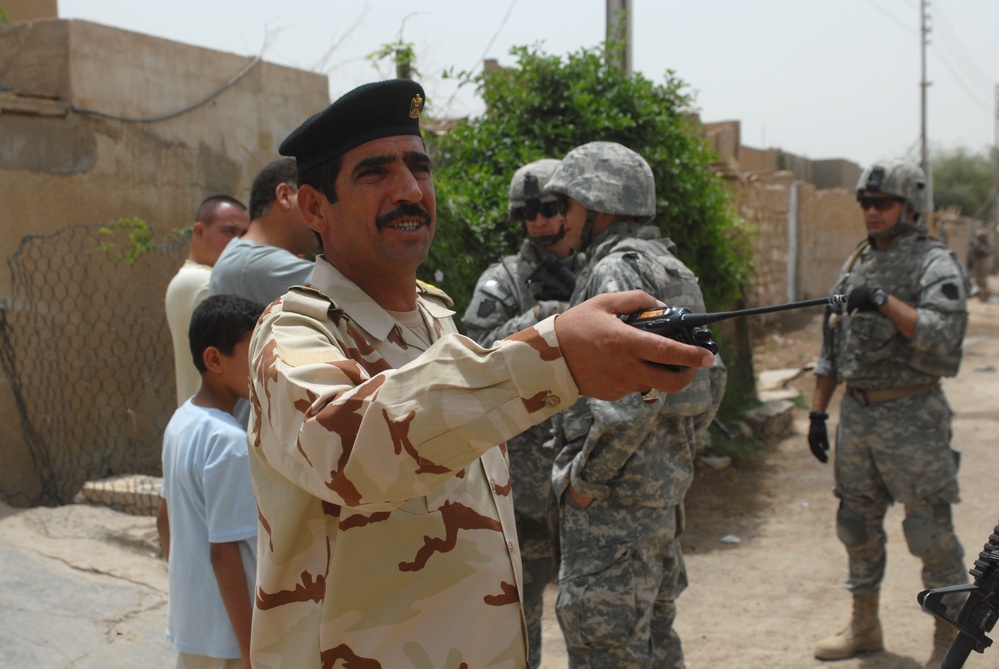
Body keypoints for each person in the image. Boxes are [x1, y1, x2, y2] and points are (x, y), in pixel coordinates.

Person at [246, 79, 715, 669]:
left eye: (419, 166)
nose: (410, 189)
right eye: (374, 173)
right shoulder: (294, 334)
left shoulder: (436, 319)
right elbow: (349, 448)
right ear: (315, 207)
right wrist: (555, 356)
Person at [543, 141, 726, 669]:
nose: (562, 220)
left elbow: (626, 405)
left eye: (568, 206)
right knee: (655, 642)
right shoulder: (674, 269)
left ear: (597, 208)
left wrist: (584, 483)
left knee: (605, 650)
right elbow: (712, 377)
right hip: (661, 497)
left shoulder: (614, 274)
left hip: (612, 507)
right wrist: (675, 455)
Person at [808, 160, 971, 666]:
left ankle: (948, 643)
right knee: (855, 524)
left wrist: (884, 301)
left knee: (930, 535)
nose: (872, 212)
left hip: (913, 417)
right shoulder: (856, 262)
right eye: (866, 202)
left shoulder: (933, 263)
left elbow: (946, 339)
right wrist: (817, 413)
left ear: (911, 206)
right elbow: (832, 344)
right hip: (858, 416)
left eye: (883, 203)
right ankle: (863, 624)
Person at [462, 158, 584, 668]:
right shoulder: (504, 280)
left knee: (595, 617)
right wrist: (538, 316)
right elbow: (471, 357)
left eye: (551, 209)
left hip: (586, 475)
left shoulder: (600, 269)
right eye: (528, 212)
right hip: (527, 485)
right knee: (518, 623)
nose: (539, 222)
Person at [157, 294, 264, 669]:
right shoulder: (229, 443)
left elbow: (164, 518)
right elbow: (224, 552)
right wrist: (251, 650)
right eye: (255, 352)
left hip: (196, 624)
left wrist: (190, 587)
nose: (266, 365)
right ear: (214, 359)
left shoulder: (181, 422)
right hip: (230, 639)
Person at [165, 195, 248, 406]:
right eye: (229, 232)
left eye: (244, 234)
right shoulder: (203, 283)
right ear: (199, 232)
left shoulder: (189, 279)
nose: (238, 242)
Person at [208, 157, 319, 306]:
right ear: (285, 196)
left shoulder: (240, 255)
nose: (321, 212)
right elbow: (352, 290)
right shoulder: (255, 263)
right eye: (314, 201)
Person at [967, 229, 993, 301]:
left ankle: (984, 296)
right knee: (977, 280)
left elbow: (988, 252)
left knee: (982, 280)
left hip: (982, 263)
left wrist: (981, 250)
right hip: (976, 262)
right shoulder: (976, 243)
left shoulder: (985, 244)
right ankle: (982, 296)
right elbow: (971, 251)